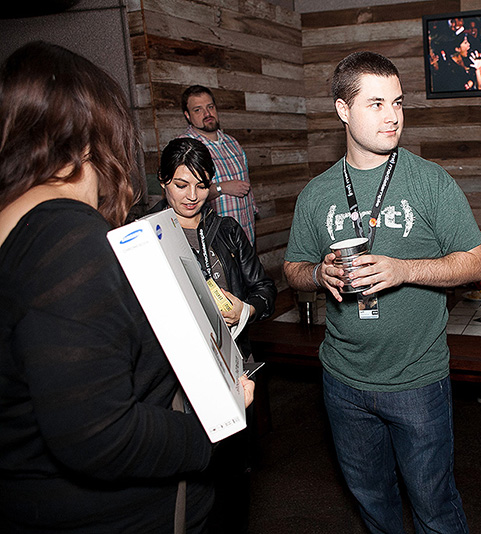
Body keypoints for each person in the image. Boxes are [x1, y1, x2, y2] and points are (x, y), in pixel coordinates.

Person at [0, 41, 254, 533]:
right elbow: (99, 432)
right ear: (92, 138)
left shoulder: (17, 226)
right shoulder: (68, 239)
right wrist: (215, 428)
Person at [284, 51, 481, 533]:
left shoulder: (430, 181)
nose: (392, 116)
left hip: (417, 380)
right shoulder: (316, 193)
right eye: (376, 104)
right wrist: (318, 275)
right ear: (342, 109)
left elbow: (477, 263)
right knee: (374, 506)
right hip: (343, 381)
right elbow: (292, 269)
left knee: (435, 509)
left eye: (397, 102)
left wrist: (404, 270)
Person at [150, 136, 275, 533]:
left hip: (230, 372)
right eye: (181, 184)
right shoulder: (143, 235)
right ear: (163, 181)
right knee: (185, 488)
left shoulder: (227, 231)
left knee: (233, 480)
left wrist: (245, 309)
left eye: (202, 185)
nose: (192, 196)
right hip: (173, 381)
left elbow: (265, 291)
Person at [179, 85, 257, 245]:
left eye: (210, 107)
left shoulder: (232, 142)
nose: (207, 114)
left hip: (245, 235)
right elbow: (182, 197)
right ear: (187, 115)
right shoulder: (185, 148)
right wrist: (221, 188)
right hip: (215, 241)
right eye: (198, 110)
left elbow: (246, 186)